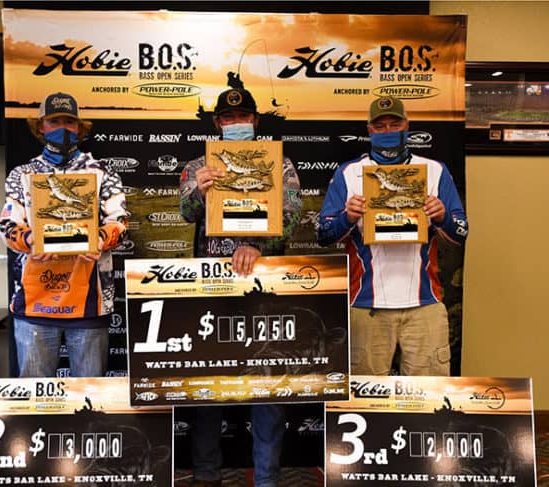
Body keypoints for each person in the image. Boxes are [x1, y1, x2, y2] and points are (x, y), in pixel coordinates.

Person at [180, 87, 302, 487]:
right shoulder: (198, 165)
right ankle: (206, 475)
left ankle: (266, 479)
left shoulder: (279, 164)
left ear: (255, 121)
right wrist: (200, 191)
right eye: (229, 118)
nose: (237, 123)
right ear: (218, 123)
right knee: (208, 385)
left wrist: (257, 245)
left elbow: (292, 216)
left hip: (265, 290)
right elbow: (185, 212)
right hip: (211, 290)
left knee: (268, 387)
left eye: (244, 117)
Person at [318, 95, 468, 376]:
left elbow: (461, 233)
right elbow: (323, 234)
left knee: (429, 396)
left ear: (407, 125)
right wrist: (347, 217)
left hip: (425, 304)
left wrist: (442, 217)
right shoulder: (349, 173)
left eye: (394, 124)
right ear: (369, 130)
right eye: (380, 126)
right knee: (365, 396)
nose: (387, 130)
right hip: (366, 305)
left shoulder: (434, 171)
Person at [0, 92, 127, 378]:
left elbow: (119, 222)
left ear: (80, 128)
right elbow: (7, 225)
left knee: (91, 396)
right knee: (34, 394)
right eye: (54, 121)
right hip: (35, 302)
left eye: (69, 122)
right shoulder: (22, 174)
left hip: (90, 304)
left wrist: (100, 239)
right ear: (40, 127)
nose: (63, 128)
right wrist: (29, 240)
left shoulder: (103, 173)